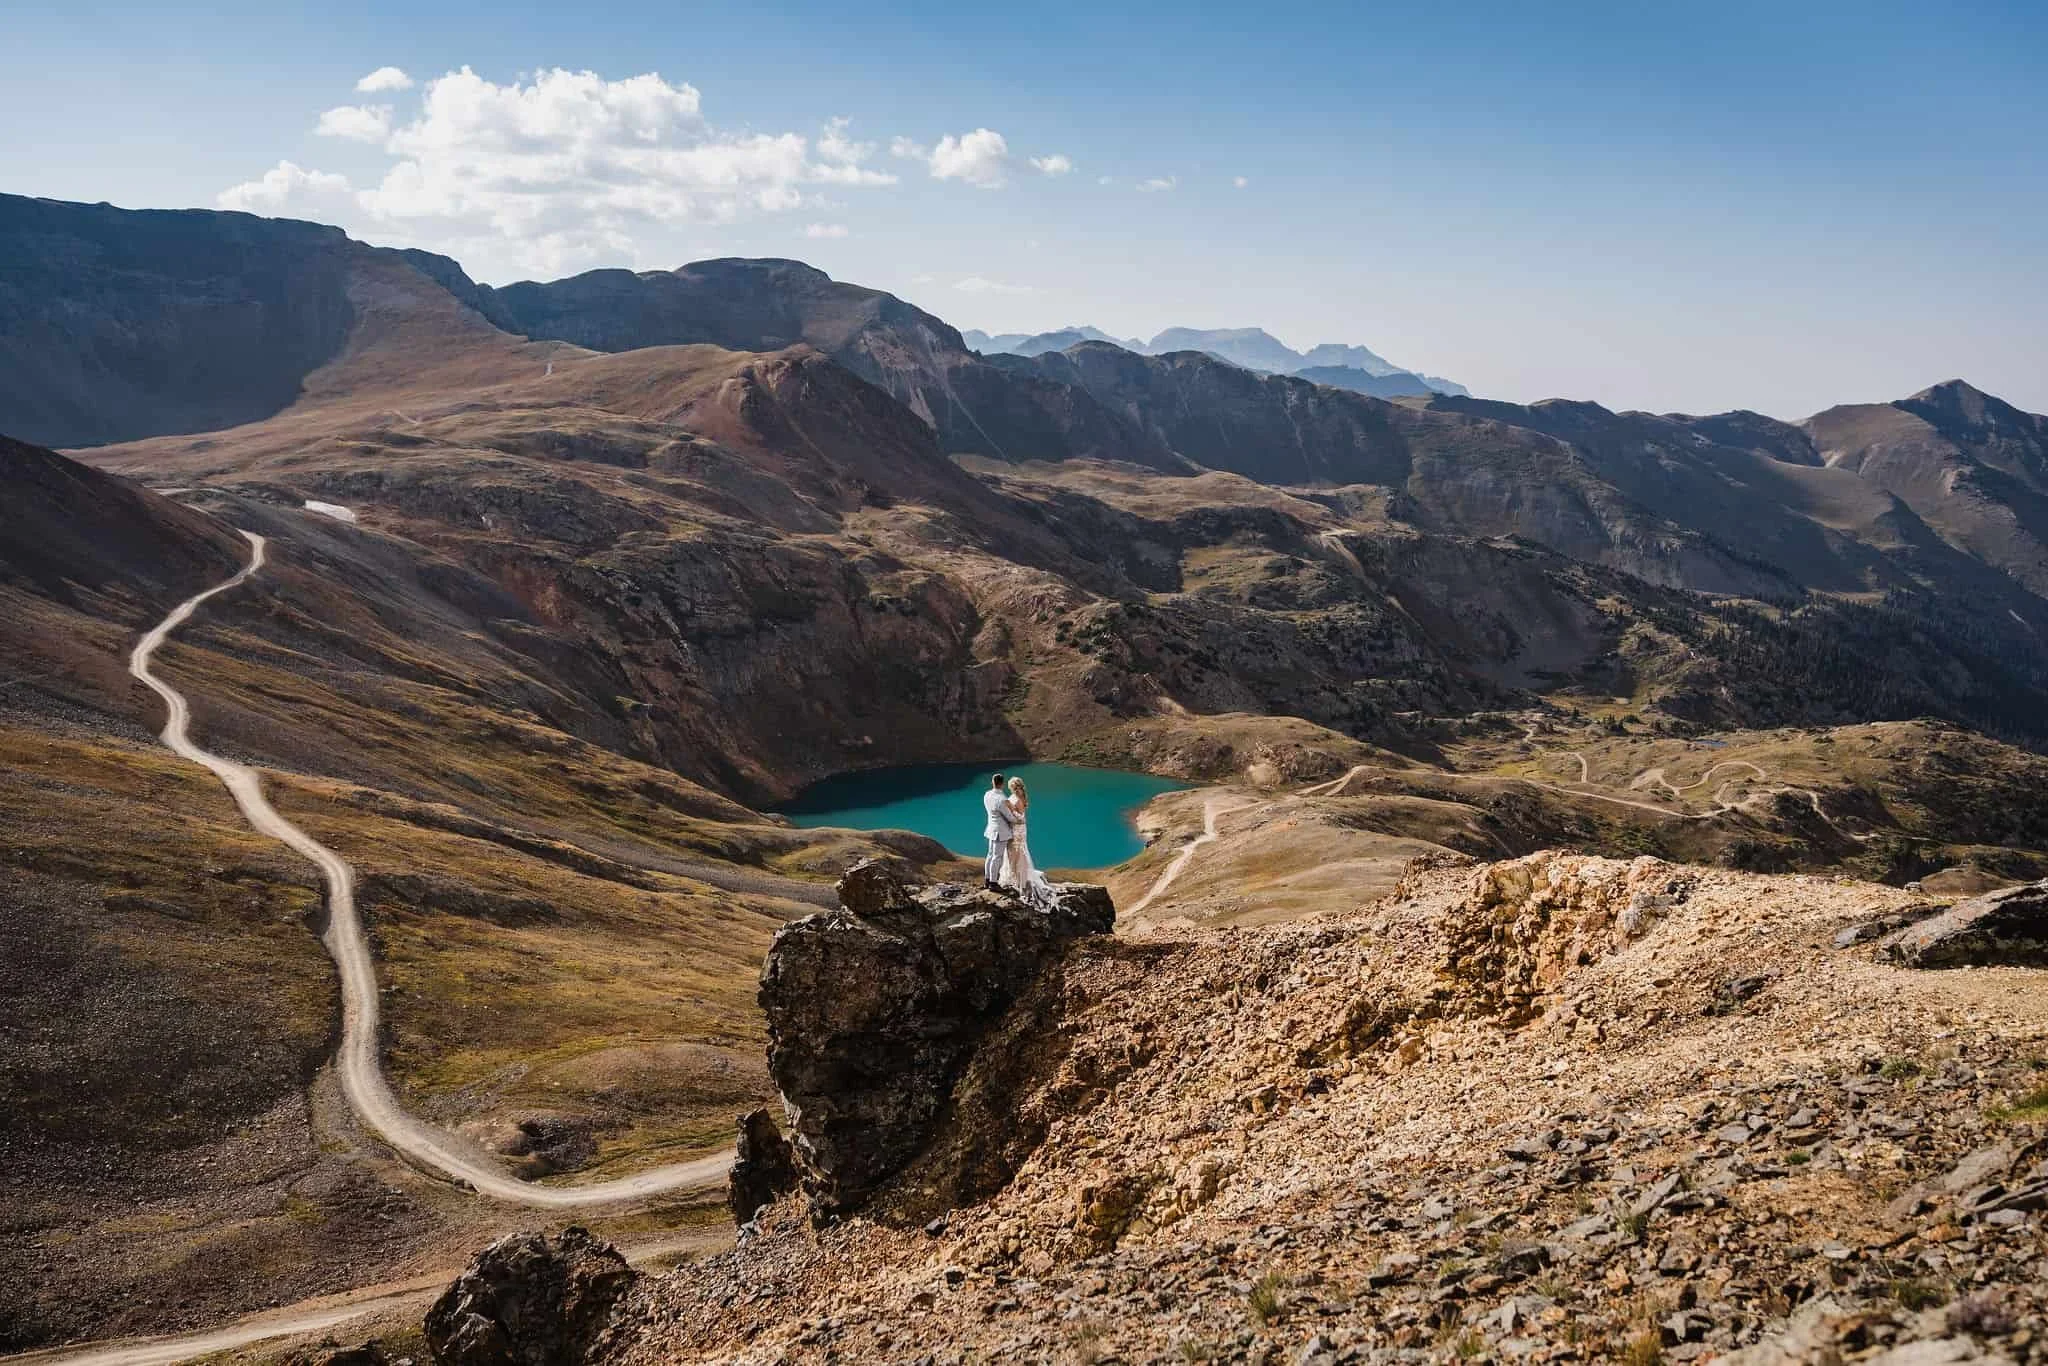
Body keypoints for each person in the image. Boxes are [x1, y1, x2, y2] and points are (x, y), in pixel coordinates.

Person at [1000, 776, 1057, 909]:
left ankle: (1020, 879)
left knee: (1018, 852)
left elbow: (1021, 818)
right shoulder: (1014, 797)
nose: (1011, 789)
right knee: (1012, 853)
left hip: (1018, 830)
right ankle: (1015, 877)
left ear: (1014, 787)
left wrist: (1011, 809)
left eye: (1012, 787)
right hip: (1013, 829)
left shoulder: (1019, 799)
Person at [981, 772, 1015, 892]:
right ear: (1003, 784)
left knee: (990, 855)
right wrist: (1017, 819)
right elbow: (1009, 817)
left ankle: (987, 880)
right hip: (1001, 831)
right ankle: (993, 883)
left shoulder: (987, 795)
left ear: (993, 782)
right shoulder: (1001, 799)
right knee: (997, 857)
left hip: (991, 828)